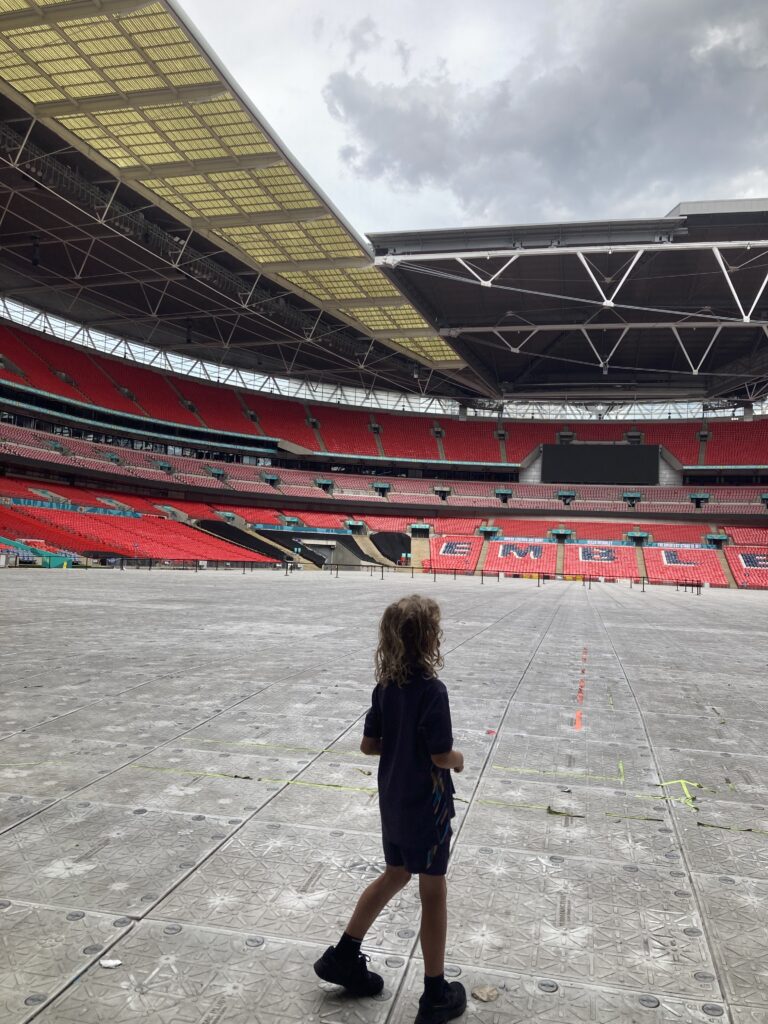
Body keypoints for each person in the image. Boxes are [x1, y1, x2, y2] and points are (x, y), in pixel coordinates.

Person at [314, 594, 466, 1024]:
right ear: (430, 639)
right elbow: (440, 756)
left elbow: (369, 746)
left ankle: (344, 954)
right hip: (429, 806)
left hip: (394, 804)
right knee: (433, 890)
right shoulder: (433, 692)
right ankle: (435, 993)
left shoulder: (384, 688)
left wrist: (399, 743)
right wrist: (459, 759)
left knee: (396, 872)